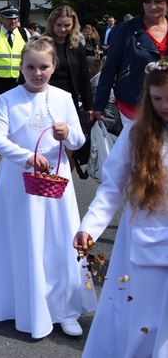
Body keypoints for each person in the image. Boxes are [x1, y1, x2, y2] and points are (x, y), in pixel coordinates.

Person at [0, 37, 95, 338]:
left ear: (53, 67)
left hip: (57, 181)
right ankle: (20, 304)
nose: (37, 73)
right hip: (20, 182)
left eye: (43, 67)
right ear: (20, 67)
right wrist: (27, 156)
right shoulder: (8, 98)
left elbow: (79, 142)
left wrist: (68, 132)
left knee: (59, 241)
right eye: (30, 67)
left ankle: (64, 309)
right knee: (24, 240)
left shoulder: (63, 97)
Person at [74, 59, 168, 356]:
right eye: (157, 99)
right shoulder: (136, 134)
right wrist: (88, 226)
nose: (165, 105)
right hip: (144, 236)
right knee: (142, 318)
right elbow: (112, 187)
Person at [93, 0, 168, 130]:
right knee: (140, 151)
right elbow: (109, 69)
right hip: (133, 104)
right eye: (147, 2)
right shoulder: (125, 30)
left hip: (166, 104)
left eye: (158, 1)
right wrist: (99, 105)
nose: (152, 6)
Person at [43, 5, 92, 136]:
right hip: (46, 99)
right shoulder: (42, 44)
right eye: (59, 25)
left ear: (73, 25)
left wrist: (89, 106)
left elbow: (84, 77)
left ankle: (70, 158)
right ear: (52, 24)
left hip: (70, 99)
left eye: (67, 25)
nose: (63, 29)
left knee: (70, 137)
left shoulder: (76, 46)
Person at [87, 57, 122, 136]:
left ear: (89, 71)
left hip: (108, 120)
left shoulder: (98, 83)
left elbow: (91, 107)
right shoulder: (97, 79)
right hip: (105, 117)